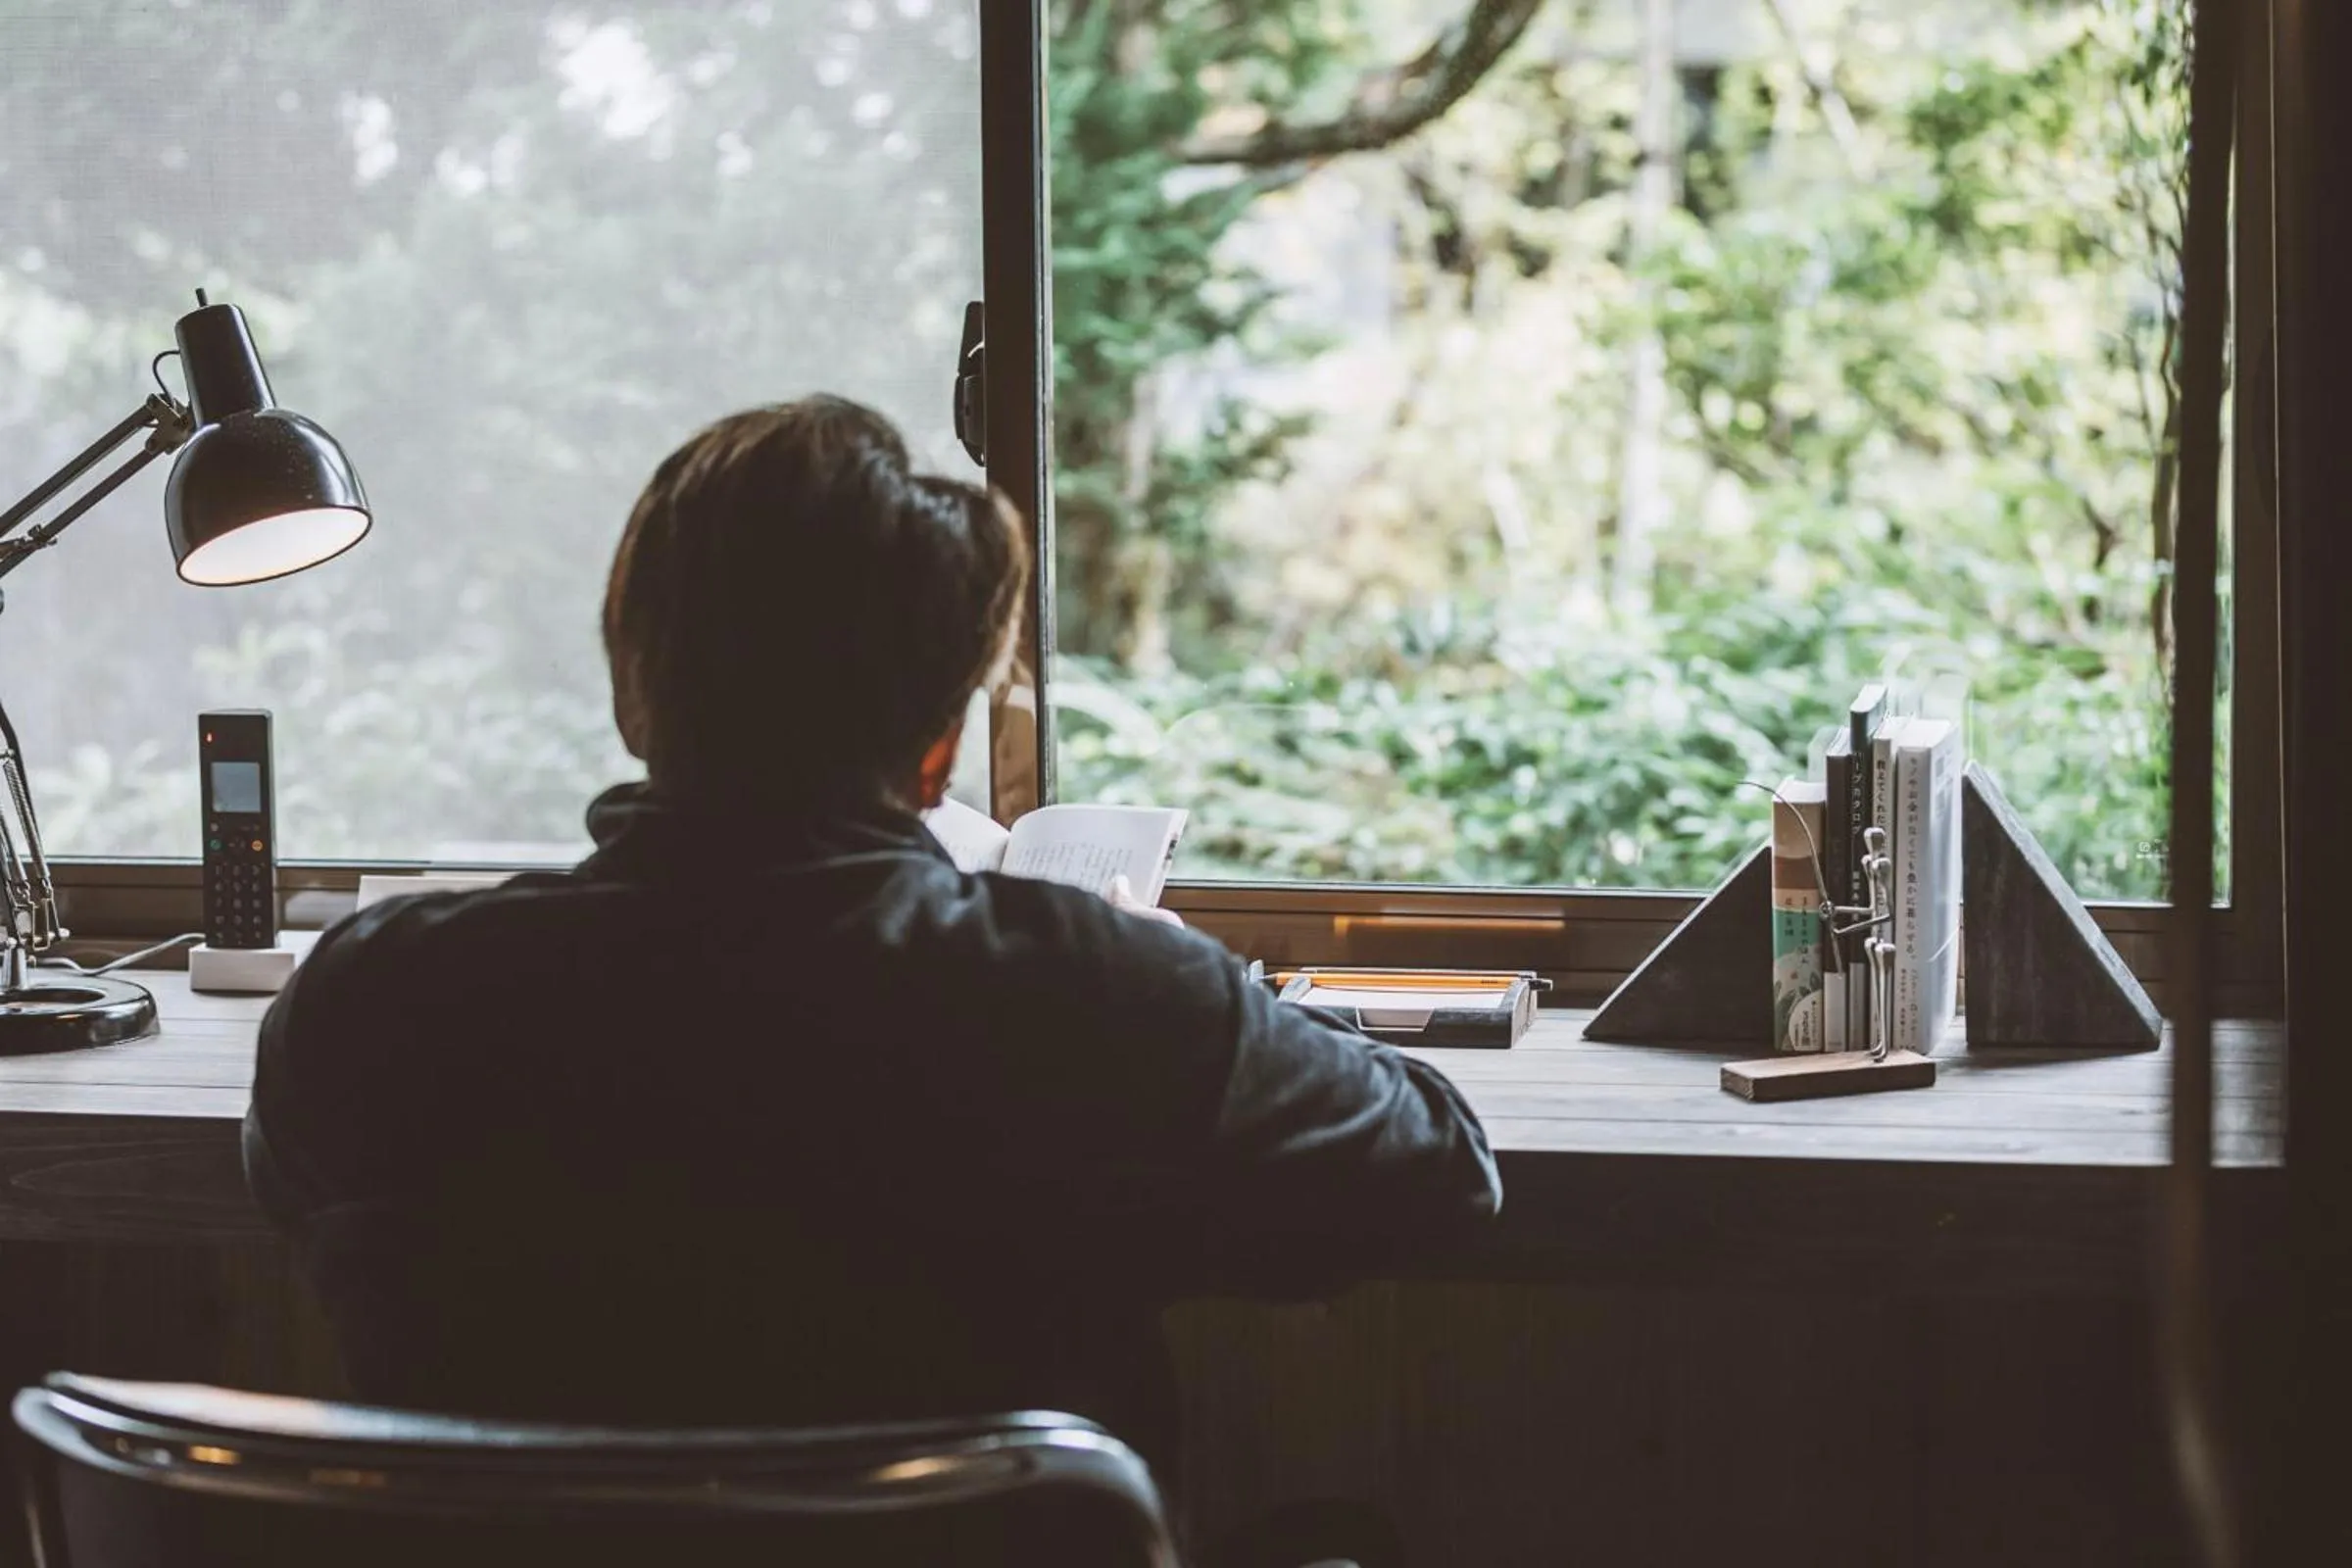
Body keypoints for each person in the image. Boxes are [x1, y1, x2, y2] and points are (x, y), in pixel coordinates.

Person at [244, 396, 1500, 1511]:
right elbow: (1443, 1174)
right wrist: (1190, 979)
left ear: (633, 687)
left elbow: (296, 1199)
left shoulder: (374, 997)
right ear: (938, 750)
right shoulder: (1104, 996)